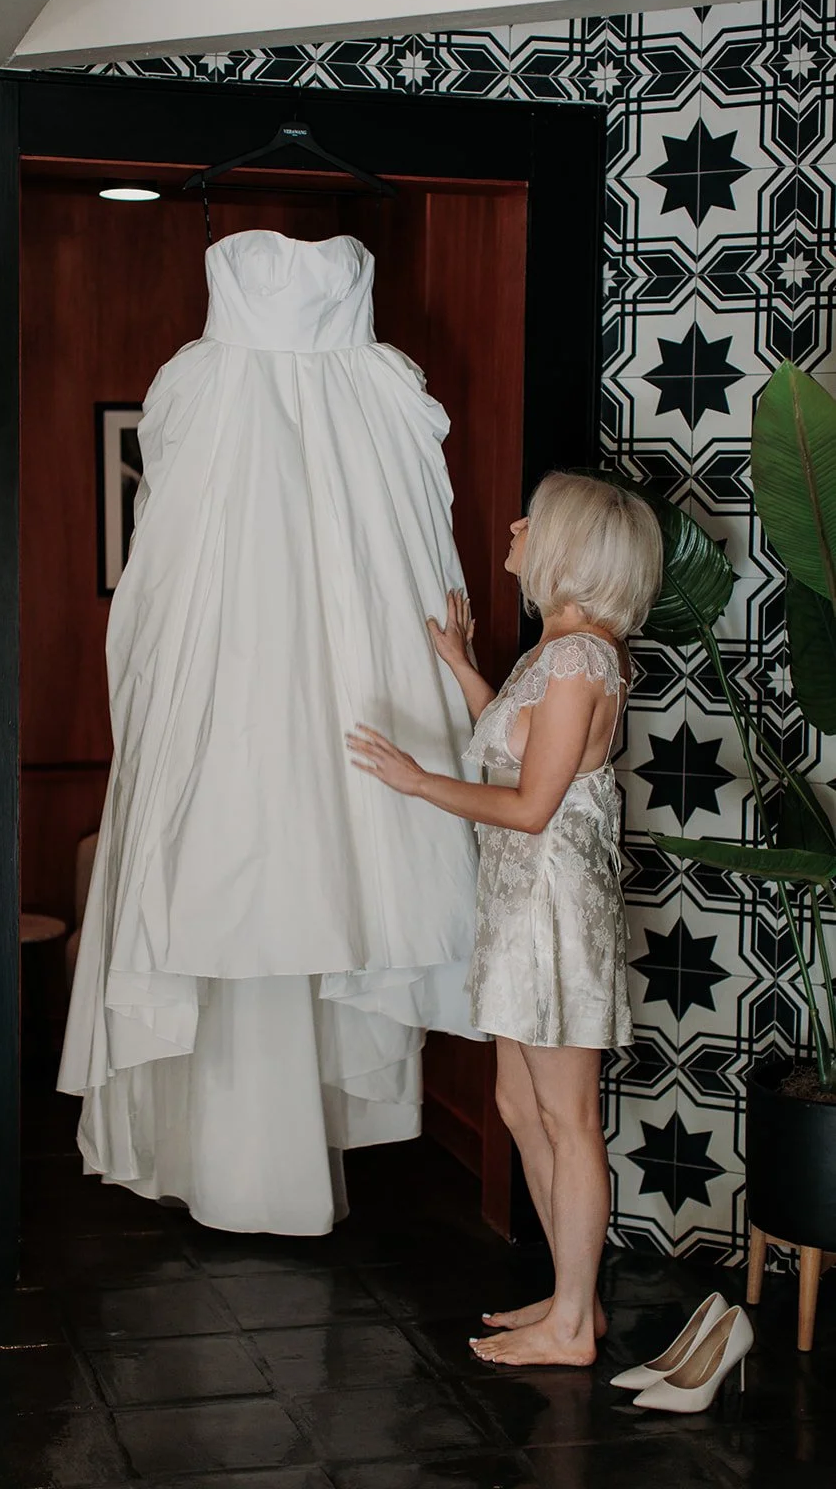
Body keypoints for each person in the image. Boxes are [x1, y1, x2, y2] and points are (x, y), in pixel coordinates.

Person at [346, 471, 663, 1368]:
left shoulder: (578, 658)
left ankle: (571, 1321)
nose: (516, 523)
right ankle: (572, 1305)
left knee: (566, 1117)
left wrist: (415, 782)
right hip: (520, 907)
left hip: (554, 913)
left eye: (535, 516)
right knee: (518, 1104)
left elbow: (529, 806)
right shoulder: (556, 652)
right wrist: (460, 664)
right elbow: (510, 745)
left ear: (569, 549)